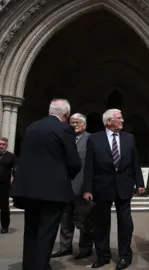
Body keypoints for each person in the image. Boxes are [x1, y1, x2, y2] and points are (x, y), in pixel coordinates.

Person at [10, 99, 81, 270]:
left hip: (29, 190)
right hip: (52, 191)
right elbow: (74, 162)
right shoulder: (64, 129)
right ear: (66, 114)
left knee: (31, 231)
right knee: (46, 233)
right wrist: (66, 176)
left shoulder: (32, 127)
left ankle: (29, 265)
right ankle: (39, 266)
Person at [83, 108, 145, 269]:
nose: (122, 120)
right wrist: (87, 189)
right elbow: (89, 164)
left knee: (125, 223)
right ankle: (103, 256)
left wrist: (140, 183)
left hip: (124, 186)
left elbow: (135, 163)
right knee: (101, 224)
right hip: (101, 186)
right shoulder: (95, 139)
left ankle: (125, 256)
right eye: (119, 117)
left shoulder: (129, 138)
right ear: (109, 121)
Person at [51, 113, 93, 260]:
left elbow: (91, 165)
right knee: (65, 220)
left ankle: (85, 248)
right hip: (65, 187)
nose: (74, 125)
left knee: (83, 221)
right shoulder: (65, 139)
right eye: (72, 122)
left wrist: (88, 187)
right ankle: (65, 247)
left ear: (85, 125)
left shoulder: (90, 140)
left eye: (78, 122)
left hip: (82, 187)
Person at [0, 137, 17, 234]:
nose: (1, 146)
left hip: (4, 186)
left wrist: (14, 178)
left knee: (4, 207)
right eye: (0, 144)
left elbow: (15, 169)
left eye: (3, 144)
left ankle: (5, 226)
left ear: (6, 146)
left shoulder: (11, 156)